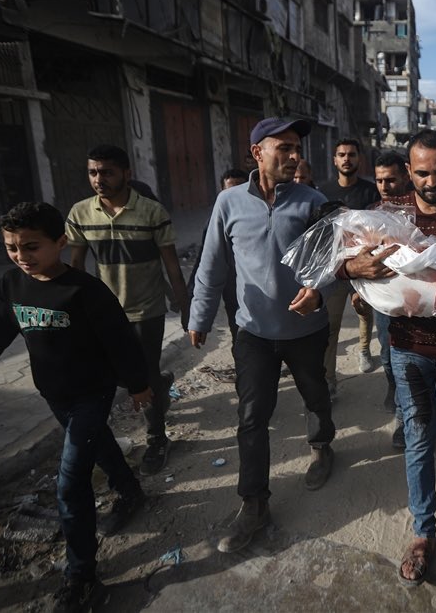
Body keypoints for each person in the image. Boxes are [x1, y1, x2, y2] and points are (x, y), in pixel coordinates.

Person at [0, 202, 153, 611]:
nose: (22, 256)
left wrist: (138, 385)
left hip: (92, 393)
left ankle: (82, 578)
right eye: (12, 247)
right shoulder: (11, 287)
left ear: (60, 243)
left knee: (70, 482)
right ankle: (130, 490)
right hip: (54, 394)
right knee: (95, 446)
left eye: (31, 246)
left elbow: (120, 340)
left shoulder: (85, 290)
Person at [337, 129, 436, 586]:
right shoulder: (390, 215)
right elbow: (348, 260)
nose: (432, 182)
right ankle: (423, 532)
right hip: (408, 346)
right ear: (409, 173)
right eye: (422, 173)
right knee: (417, 434)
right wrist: (353, 270)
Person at [188, 117, 335, 553]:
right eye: (284, 148)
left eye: (297, 149)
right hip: (252, 330)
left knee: (315, 393)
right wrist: (199, 316)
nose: (294, 157)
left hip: (305, 329)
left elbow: (334, 260)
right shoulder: (228, 203)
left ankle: (322, 446)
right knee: (252, 416)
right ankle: (254, 503)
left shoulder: (312, 201)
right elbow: (211, 264)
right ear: (257, 153)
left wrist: (318, 293)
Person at [66, 145, 188, 477]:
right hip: (104, 311)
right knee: (115, 374)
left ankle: (157, 439)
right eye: (93, 172)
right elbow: (75, 266)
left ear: (126, 174)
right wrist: (74, 311)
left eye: (106, 172)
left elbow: (172, 267)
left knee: (142, 375)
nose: (98, 179)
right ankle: (161, 385)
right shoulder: (80, 214)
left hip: (147, 309)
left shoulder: (151, 212)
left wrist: (186, 307)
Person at [356, 151, 412, 442]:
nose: (385, 186)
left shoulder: (421, 208)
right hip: (383, 300)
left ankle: (409, 419)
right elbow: (360, 257)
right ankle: (393, 387)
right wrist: (360, 291)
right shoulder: (370, 213)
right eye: (379, 180)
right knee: (388, 355)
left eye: (391, 179)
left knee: (413, 360)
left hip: (417, 298)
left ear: (405, 175)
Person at [319, 138, 382, 385]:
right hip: (334, 268)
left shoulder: (370, 191)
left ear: (359, 159)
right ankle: (329, 380)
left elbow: (378, 229)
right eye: (342, 154)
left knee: (365, 313)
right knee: (331, 325)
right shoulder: (322, 192)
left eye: (351, 154)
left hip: (363, 267)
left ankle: (364, 349)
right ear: (335, 160)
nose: (347, 158)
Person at [181, 169, 248, 339]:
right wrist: (195, 313)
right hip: (233, 288)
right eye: (230, 191)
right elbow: (205, 264)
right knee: (240, 335)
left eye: (240, 189)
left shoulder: (262, 215)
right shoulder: (215, 222)